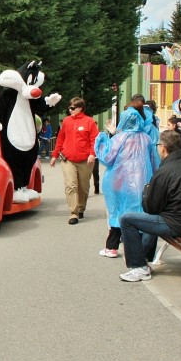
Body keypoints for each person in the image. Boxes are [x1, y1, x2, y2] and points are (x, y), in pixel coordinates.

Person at [117, 129, 181, 282]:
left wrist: (147, 191)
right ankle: (144, 259)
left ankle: (139, 266)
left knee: (126, 219)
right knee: (154, 217)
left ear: (163, 147)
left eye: (158, 146)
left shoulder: (164, 171)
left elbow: (151, 208)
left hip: (178, 224)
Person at [95, 101, 159, 256]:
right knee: (140, 214)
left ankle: (112, 247)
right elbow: (155, 162)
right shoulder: (146, 138)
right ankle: (141, 251)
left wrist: (102, 139)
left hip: (118, 182)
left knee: (117, 212)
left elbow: (107, 157)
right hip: (142, 183)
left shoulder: (119, 138)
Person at [49, 97, 99, 225]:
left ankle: (81, 207)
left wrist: (92, 154)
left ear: (80, 108)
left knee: (83, 187)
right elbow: (60, 138)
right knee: (71, 185)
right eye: (69, 107)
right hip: (68, 159)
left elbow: (95, 140)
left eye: (72, 108)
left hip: (85, 160)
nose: (70, 110)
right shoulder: (66, 121)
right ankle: (73, 213)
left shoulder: (89, 122)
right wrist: (55, 155)